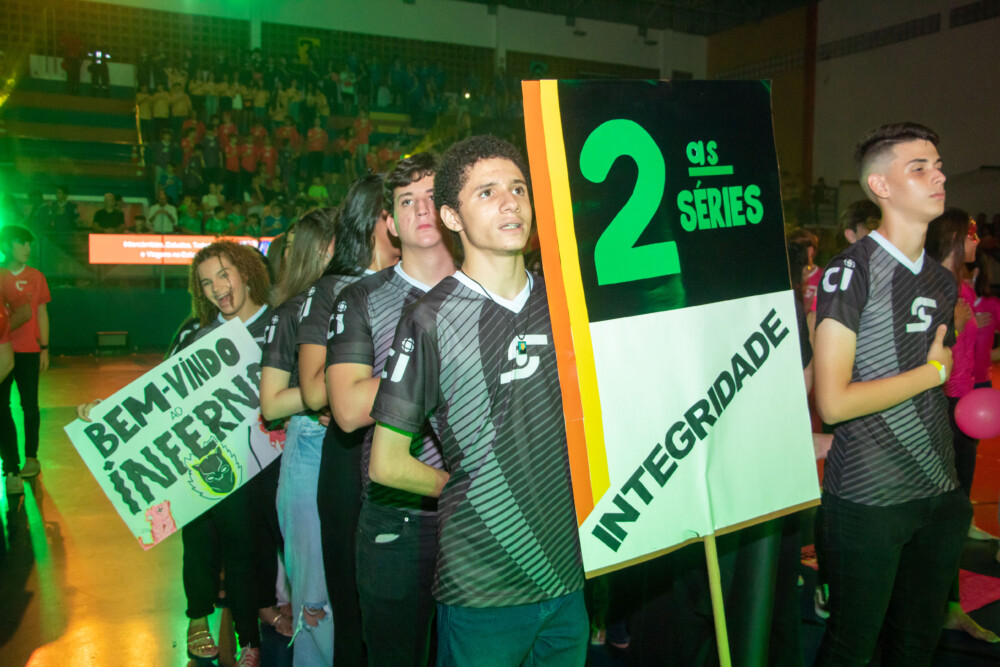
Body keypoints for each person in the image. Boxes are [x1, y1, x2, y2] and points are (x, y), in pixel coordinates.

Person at [369, 135, 587, 666]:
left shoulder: (567, 301)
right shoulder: (429, 319)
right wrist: (465, 489)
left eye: (518, 189)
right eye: (487, 192)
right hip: (482, 586)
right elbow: (386, 463)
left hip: (570, 575)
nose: (511, 203)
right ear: (452, 216)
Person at [813, 122, 968, 664]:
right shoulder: (850, 271)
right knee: (851, 648)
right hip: (869, 499)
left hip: (939, 493)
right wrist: (932, 374)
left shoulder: (941, 281)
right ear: (880, 186)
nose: (938, 176)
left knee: (916, 646)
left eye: (938, 166)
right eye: (919, 168)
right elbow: (834, 401)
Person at [79, 241, 274, 667]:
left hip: (259, 464)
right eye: (205, 283)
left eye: (224, 274)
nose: (217, 288)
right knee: (199, 539)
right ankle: (197, 618)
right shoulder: (193, 332)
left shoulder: (279, 324)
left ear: (246, 272)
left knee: (245, 547)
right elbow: (161, 394)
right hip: (199, 458)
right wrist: (110, 414)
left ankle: (249, 635)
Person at [327, 153, 454, 665]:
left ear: (453, 209)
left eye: (432, 197)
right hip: (398, 517)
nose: (421, 209)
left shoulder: (490, 290)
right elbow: (347, 408)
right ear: (391, 224)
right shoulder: (361, 298)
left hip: (483, 511)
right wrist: (444, 363)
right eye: (406, 201)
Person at [299, 174, 398, 666]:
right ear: (378, 218)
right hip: (348, 461)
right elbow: (316, 390)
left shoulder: (423, 282)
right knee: (353, 610)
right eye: (401, 206)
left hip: (407, 459)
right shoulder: (331, 290)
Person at [260, 209, 338, 665]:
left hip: (348, 447)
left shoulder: (354, 301)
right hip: (309, 445)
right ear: (326, 248)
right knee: (315, 600)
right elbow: (271, 404)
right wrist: (330, 392)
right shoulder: (291, 311)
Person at [0, 226, 50, 487]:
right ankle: (10, 465)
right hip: (3, 351)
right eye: (21, 243)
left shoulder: (36, 276)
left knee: (29, 406)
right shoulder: (2, 274)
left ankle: (31, 457)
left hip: (28, 350)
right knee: (2, 406)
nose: (27, 248)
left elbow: (39, 312)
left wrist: (45, 347)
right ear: (6, 246)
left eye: (29, 244)